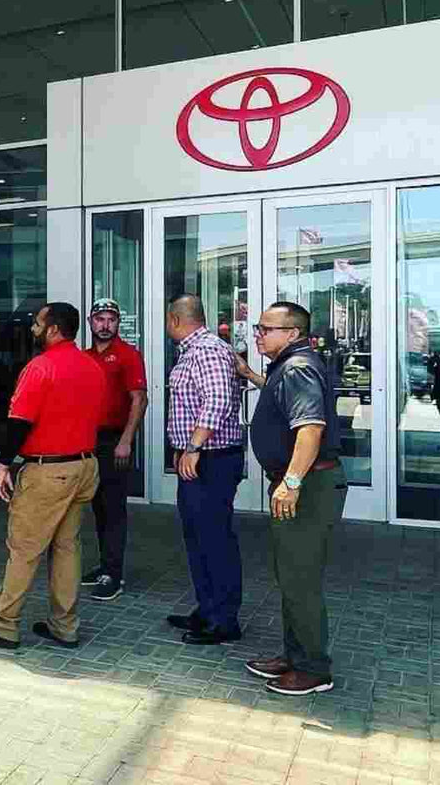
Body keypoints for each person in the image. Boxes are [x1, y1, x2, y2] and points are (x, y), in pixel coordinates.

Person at [0, 302, 107, 650]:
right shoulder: (91, 366)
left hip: (48, 471)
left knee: (24, 547)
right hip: (84, 467)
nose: (33, 329)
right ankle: (65, 626)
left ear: (53, 329)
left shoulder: (40, 368)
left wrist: (3, 463)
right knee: (68, 547)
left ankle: (2, 625)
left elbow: (19, 421)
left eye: (38, 324)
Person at [232, 301, 347, 695]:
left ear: (293, 334)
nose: (258, 334)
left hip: (308, 487)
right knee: (291, 574)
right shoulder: (291, 367)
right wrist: (250, 374)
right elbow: (284, 402)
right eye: (258, 327)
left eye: (267, 328)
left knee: (300, 578)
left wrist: (292, 482)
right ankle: (295, 656)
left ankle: (314, 670)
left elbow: (310, 428)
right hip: (302, 484)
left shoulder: (297, 368)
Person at [162, 294, 247, 645]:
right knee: (197, 536)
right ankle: (207, 608)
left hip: (211, 458)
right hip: (198, 457)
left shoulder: (208, 349)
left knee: (213, 537)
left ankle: (224, 620)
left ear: (176, 320)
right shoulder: (194, 351)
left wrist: (194, 447)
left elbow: (217, 400)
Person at [80, 299, 148, 602]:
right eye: (100, 319)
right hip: (88, 441)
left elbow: (139, 400)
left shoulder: (128, 355)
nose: (105, 325)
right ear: (90, 322)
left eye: (111, 319)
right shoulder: (84, 357)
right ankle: (105, 565)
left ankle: (113, 574)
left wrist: (126, 440)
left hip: (114, 441)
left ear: (118, 323)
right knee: (98, 507)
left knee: (114, 508)